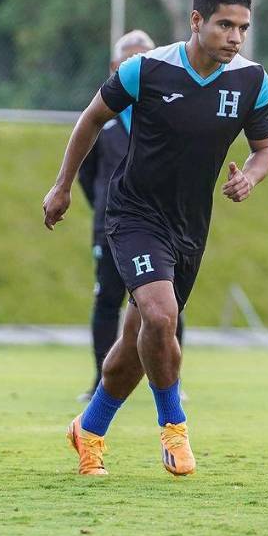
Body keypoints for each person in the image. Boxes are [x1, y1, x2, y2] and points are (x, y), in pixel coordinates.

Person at [43, 0, 268, 477]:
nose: (235, 37)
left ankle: (89, 428)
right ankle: (174, 430)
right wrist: (61, 187)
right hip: (132, 214)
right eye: (224, 25)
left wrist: (250, 179)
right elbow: (89, 119)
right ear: (197, 21)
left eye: (243, 28)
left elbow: (264, 149)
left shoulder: (252, 81)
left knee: (136, 341)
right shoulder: (146, 70)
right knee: (160, 314)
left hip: (189, 226)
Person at [76, 30, 185, 402]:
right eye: (130, 58)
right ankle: (99, 381)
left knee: (167, 304)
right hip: (111, 228)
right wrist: (110, 209)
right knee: (108, 301)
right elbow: (86, 175)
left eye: (145, 57)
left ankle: (171, 382)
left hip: (163, 226)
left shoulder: (168, 114)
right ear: (114, 67)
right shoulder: (102, 119)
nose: (138, 65)